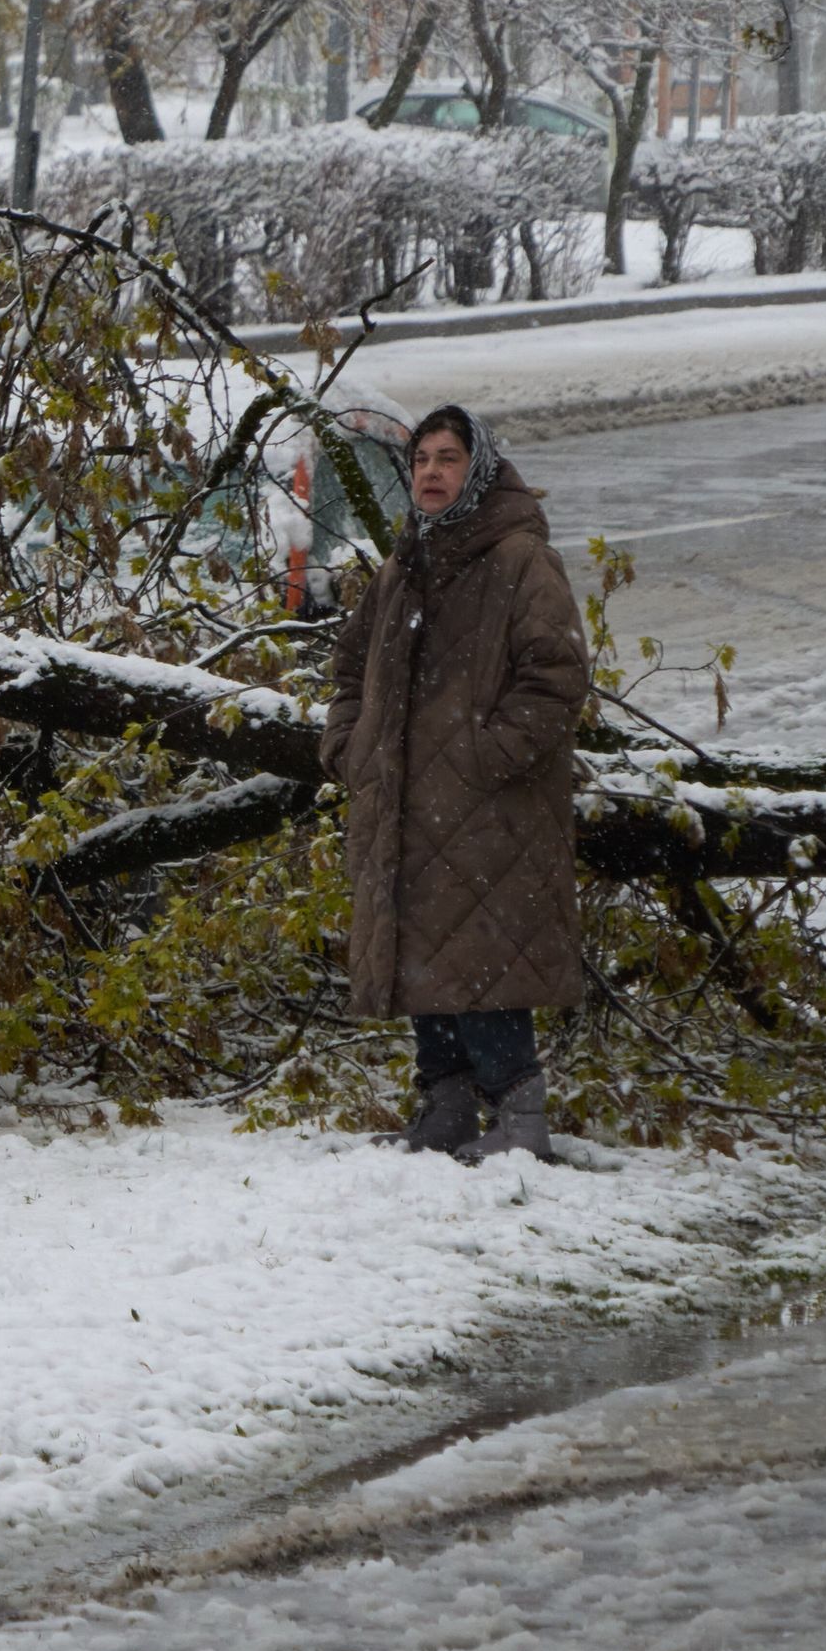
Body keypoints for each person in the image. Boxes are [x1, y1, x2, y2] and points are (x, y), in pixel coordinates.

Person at [323, 404, 591, 1162]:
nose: (431, 473)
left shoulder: (517, 559)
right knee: (423, 947)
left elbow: (558, 674)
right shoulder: (404, 562)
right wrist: (350, 746)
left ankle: (519, 1111)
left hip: (490, 810)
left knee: (485, 951)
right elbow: (349, 669)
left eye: (447, 458)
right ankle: (444, 1102)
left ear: (476, 468)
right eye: (420, 461)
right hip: (407, 802)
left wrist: (485, 757)